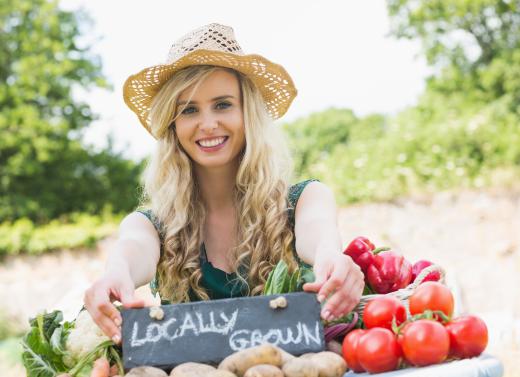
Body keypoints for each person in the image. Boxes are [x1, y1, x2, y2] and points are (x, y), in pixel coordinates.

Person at [84, 23, 364, 346]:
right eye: (189, 110)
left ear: (248, 114)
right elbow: (132, 249)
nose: (207, 124)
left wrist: (330, 256)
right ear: (173, 126)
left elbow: (319, 232)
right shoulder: (153, 226)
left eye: (222, 104)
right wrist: (116, 272)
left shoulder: (305, 200)